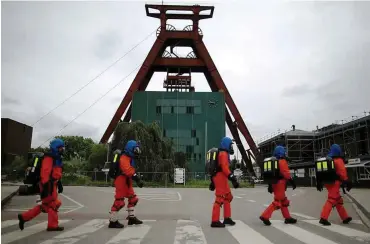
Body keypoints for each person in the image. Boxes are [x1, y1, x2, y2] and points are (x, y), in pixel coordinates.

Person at [18, 138, 65, 231]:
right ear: (56, 148)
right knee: (53, 204)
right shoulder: (49, 158)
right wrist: (46, 187)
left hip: (52, 184)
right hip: (48, 185)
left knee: (46, 206)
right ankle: (52, 226)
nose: (62, 150)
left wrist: (59, 183)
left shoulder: (56, 158)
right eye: (60, 148)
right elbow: (45, 173)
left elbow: (55, 172)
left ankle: (24, 217)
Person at [109, 140, 144, 228]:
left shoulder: (129, 158)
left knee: (133, 199)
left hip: (127, 180)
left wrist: (135, 178)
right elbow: (128, 170)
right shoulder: (124, 157)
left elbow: (130, 170)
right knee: (119, 201)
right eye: (136, 150)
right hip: (121, 180)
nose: (137, 152)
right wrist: (137, 179)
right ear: (130, 149)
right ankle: (113, 221)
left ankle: (131, 218)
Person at [260, 145, 297, 226]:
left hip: (275, 183)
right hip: (280, 183)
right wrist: (292, 181)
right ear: (281, 152)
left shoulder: (275, 161)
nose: (285, 153)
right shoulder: (282, 161)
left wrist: (270, 185)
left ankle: (287, 217)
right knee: (277, 201)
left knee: (283, 201)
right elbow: (286, 173)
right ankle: (265, 216)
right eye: (284, 151)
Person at [316, 144, 352, 226]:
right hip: (335, 183)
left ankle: (345, 217)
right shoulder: (338, 160)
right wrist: (346, 181)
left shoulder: (329, 159)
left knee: (338, 199)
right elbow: (342, 172)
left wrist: (319, 182)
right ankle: (323, 218)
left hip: (328, 182)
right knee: (332, 199)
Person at [209, 136, 240, 228]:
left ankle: (227, 218)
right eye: (230, 145)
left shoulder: (224, 153)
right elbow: (224, 167)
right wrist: (232, 177)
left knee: (228, 196)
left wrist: (213, 181)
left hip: (221, 177)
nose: (231, 147)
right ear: (226, 145)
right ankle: (215, 221)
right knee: (220, 198)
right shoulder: (223, 154)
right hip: (220, 177)